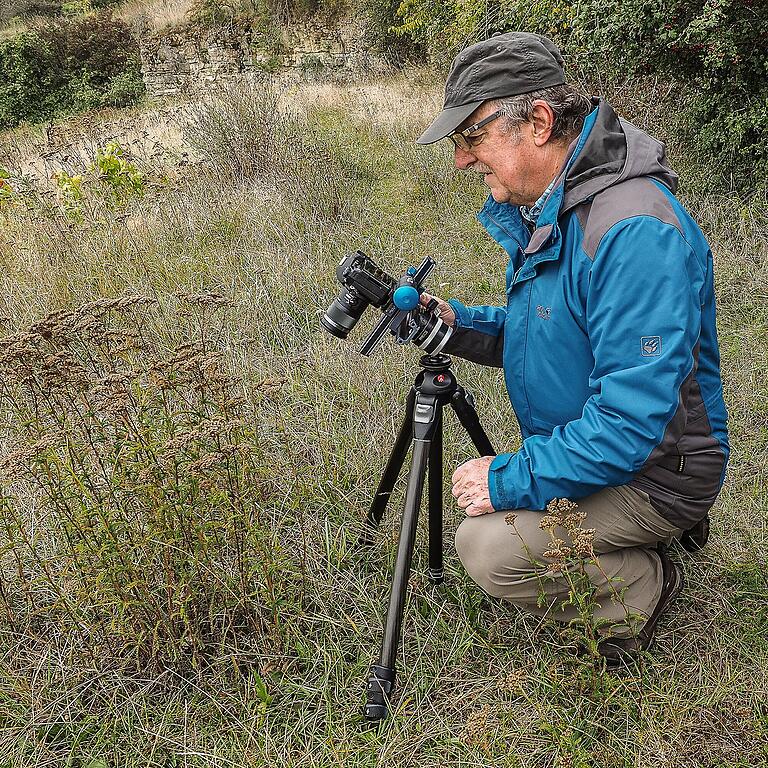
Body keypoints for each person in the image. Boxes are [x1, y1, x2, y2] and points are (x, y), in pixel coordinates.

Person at [415, 31, 729, 664]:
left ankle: (644, 583)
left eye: (471, 137)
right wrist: (457, 324)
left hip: (657, 472)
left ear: (537, 122)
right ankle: (618, 541)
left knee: (486, 548)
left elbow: (629, 423)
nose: (462, 160)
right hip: (612, 454)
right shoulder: (560, 207)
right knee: (500, 529)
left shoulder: (632, 231)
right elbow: (550, 332)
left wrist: (510, 478)